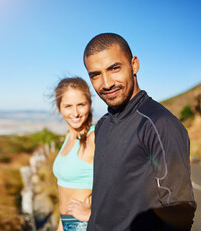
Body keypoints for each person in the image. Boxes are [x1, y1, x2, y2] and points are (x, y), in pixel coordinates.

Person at [83, 33, 197, 230]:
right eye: (96, 74)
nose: (107, 83)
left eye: (114, 68)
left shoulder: (160, 124)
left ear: (134, 65)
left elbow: (179, 212)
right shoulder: (103, 124)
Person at [52, 77, 95, 231]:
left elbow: (124, 184)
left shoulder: (93, 138)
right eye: (68, 106)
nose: (75, 113)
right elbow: (64, 195)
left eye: (81, 105)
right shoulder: (68, 137)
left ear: (89, 105)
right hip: (66, 225)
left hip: (84, 226)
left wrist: (92, 214)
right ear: (59, 108)